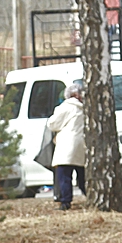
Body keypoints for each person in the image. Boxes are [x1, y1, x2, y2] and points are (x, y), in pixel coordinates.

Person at [47, 82, 86, 211]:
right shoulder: (85, 108)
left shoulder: (65, 107)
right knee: (82, 175)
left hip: (66, 145)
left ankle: (65, 201)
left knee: (64, 175)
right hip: (81, 145)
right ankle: (90, 196)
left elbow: (52, 124)